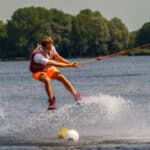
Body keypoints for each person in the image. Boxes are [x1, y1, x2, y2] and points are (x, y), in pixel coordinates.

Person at [29, 36, 81, 110]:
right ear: (43, 47)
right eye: (48, 48)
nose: (50, 49)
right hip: (37, 71)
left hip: (48, 68)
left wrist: (71, 63)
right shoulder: (38, 56)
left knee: (61, 77)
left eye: (51, 47)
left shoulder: (51, 47)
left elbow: (58, 58)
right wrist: (70, 65)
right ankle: (51, 102)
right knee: (46, 80)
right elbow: (55, 63)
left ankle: (76, 95)